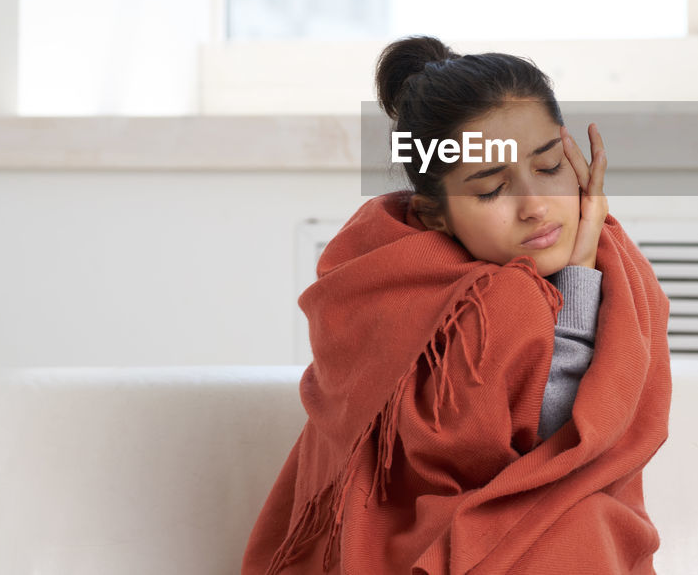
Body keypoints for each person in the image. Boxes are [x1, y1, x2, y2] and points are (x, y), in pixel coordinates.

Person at [241, 35, 672, 574]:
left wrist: (584, 268)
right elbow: (533, 449)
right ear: (435, 214)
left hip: (540, 525)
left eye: (548, 166)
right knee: (573, 528)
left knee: (582, 521)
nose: (536, 206)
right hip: (412, 538)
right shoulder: (385, 283)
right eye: (491, 189)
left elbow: (574, 466)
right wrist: (577, 276)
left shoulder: (617, 269)